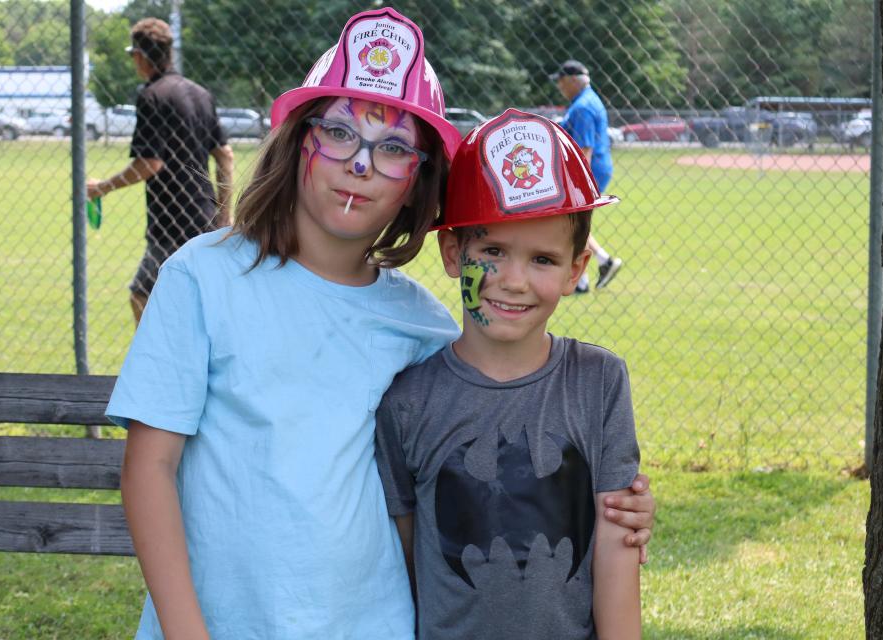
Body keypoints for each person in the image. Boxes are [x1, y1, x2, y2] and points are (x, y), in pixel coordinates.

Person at [107, 9, 654, 639]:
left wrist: (616, 505)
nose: (361, 164)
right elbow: (149, 469)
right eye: (339, 133)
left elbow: (489, 448)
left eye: (394, 147)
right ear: (298, 139)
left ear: (420, 179)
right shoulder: (201, 278)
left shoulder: (420, 324)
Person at [375, 109, 641, 639]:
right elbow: (404, 562)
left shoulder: (599, 382)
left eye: (543, 259)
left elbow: (618, 548)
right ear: (453, 252)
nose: (514, 281)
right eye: (492, 251)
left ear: (575, 270)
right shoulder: (407, 400)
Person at [87, 18, 234, 324]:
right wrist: (224, 212)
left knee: (141, 295)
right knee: (197, 303)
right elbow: (225, 156)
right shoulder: (199, 94)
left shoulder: (152, 95)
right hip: (205, 218)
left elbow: (149, 164)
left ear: (140, 56)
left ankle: (156, 367)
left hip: (171, 221)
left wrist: (103, 187)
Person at [551, 59, 623, 293]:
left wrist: (580, 182)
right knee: (572, 223)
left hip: (590, 170)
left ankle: (602, 263)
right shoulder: (584, 101)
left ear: (573, 80)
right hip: (598, 167)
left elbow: (584, 149)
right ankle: (585, 277)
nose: (560, 86)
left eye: (562, 82)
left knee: (571, 223)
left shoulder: (582, 107)